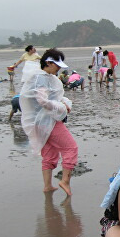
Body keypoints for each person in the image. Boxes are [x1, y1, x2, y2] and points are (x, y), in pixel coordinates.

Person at [20, 48, 78, 196]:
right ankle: (65, 181)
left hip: (36, 122)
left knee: (50, 153)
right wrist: (62, 107)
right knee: (71, 148)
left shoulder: (36, 76)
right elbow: (42, 101)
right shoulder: (42, 78)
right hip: (47, 121)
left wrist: (62, 103)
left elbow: (48, 98)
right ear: (48, 63)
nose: (58, 68)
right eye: (57, 65)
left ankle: (47, 186)